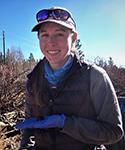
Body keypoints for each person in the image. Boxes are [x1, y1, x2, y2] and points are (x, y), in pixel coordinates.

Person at [16, 6, 123, 150]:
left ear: (73, 39)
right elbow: (29, 126)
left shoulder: (94, 76)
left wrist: (65, 123)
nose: (51, 42)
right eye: (45, 35)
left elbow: (114, 132)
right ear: (38, 38)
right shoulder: (33, 79)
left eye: (59, 34)